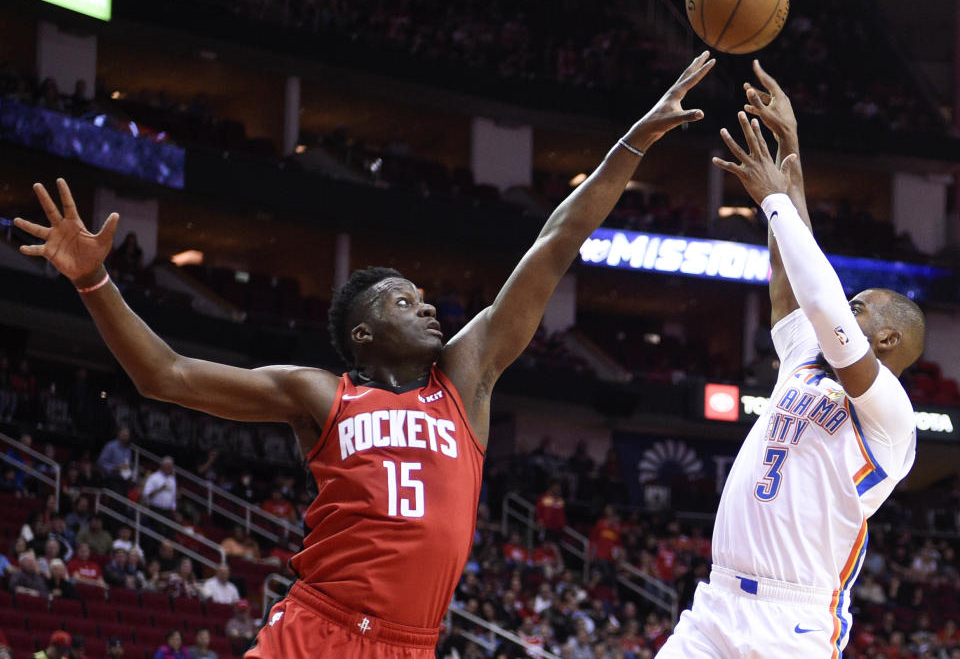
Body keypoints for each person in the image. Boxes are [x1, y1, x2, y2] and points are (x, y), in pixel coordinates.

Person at [14, 51, 715, 659]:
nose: (429, 305)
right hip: (316, 630)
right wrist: (93, 280)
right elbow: (162, 374)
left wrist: (633, 142)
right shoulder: (320, 394)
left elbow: (555, 243)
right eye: (403, 302)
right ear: (362, 334)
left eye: (425, 296)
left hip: (412, 643)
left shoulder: (464, 382)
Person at [656, 62, 925, 658]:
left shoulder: (890, 415)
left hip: (793, 622)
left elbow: (825, 302)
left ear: (886, 343)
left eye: (862, 307)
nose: (845, 307)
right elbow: (791, 277)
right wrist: (790, 153)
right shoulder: (805, 361)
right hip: (715, 605)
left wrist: (774, 199)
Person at [97, 426, 134, 493]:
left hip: (124, 480)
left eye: (127, 435)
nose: (125, 437)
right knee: (116, 501)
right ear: (119, 434)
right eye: (124, 434)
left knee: (124, 501)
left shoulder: (128, 450)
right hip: (111, 479)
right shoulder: (110, 446)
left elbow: (127, 464)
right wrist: (115, 467)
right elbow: (101, 462)